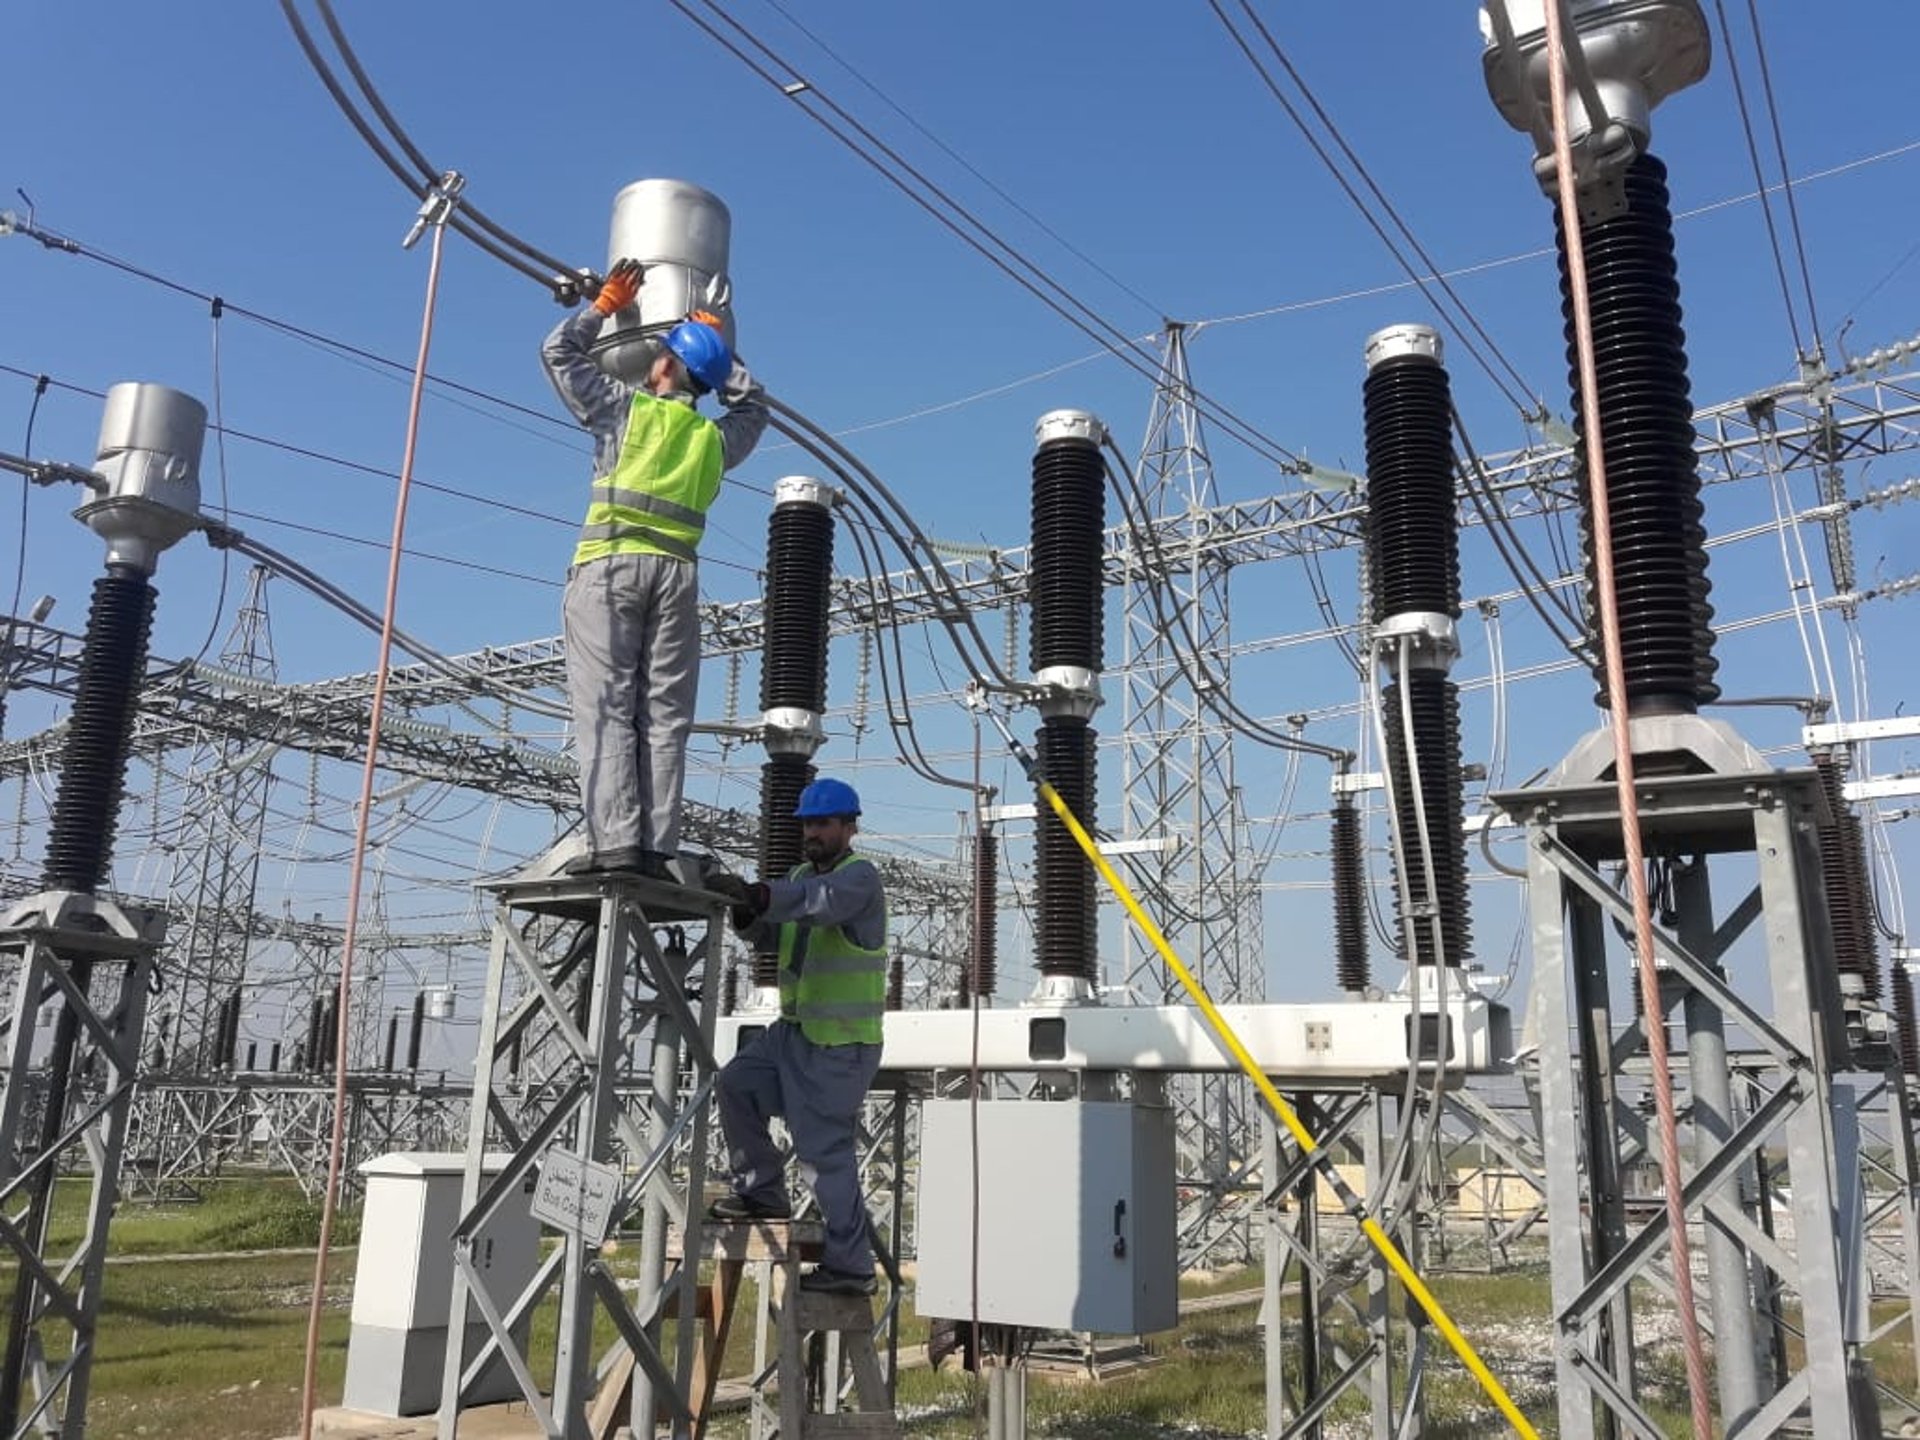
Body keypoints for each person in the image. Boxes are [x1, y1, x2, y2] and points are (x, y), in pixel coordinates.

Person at [542, 259, 769, 878]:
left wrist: (601, 307)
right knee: (665, 717)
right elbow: (753, 409)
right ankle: (656, 849)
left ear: (665, 364)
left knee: (607, 705)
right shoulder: (712, 443)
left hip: (611, 569)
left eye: (662, 350)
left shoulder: (625, 412)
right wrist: (722, 350)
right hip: (677, 579)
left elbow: (558, 353)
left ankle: (614, 844)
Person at [705, 778, 889, 1295]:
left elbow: (818, 904)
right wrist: (747, 911)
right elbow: (775, 931)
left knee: (822, 1155)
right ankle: (763, 1192)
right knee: (736, 1084)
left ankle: (852, 1269)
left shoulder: (859, 879)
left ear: (849, 827)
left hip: (840, 1045)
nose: (813, 832)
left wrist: (759, 893)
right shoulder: (798, 876)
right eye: (808, 824)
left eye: (823, 823)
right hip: (792, 1034)